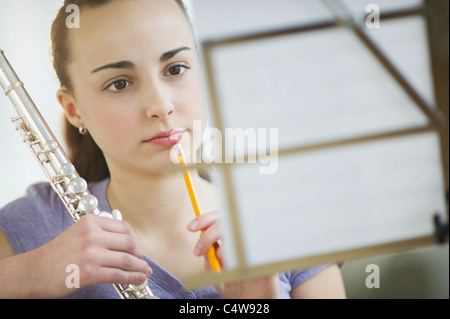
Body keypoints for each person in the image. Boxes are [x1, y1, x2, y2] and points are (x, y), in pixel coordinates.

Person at [0, 0, 346, 299]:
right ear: (74, 109)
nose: (160, 105)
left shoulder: (287, 224)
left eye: (175, 69)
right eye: (119, 83)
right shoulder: (28, 229)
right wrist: (29, 275)